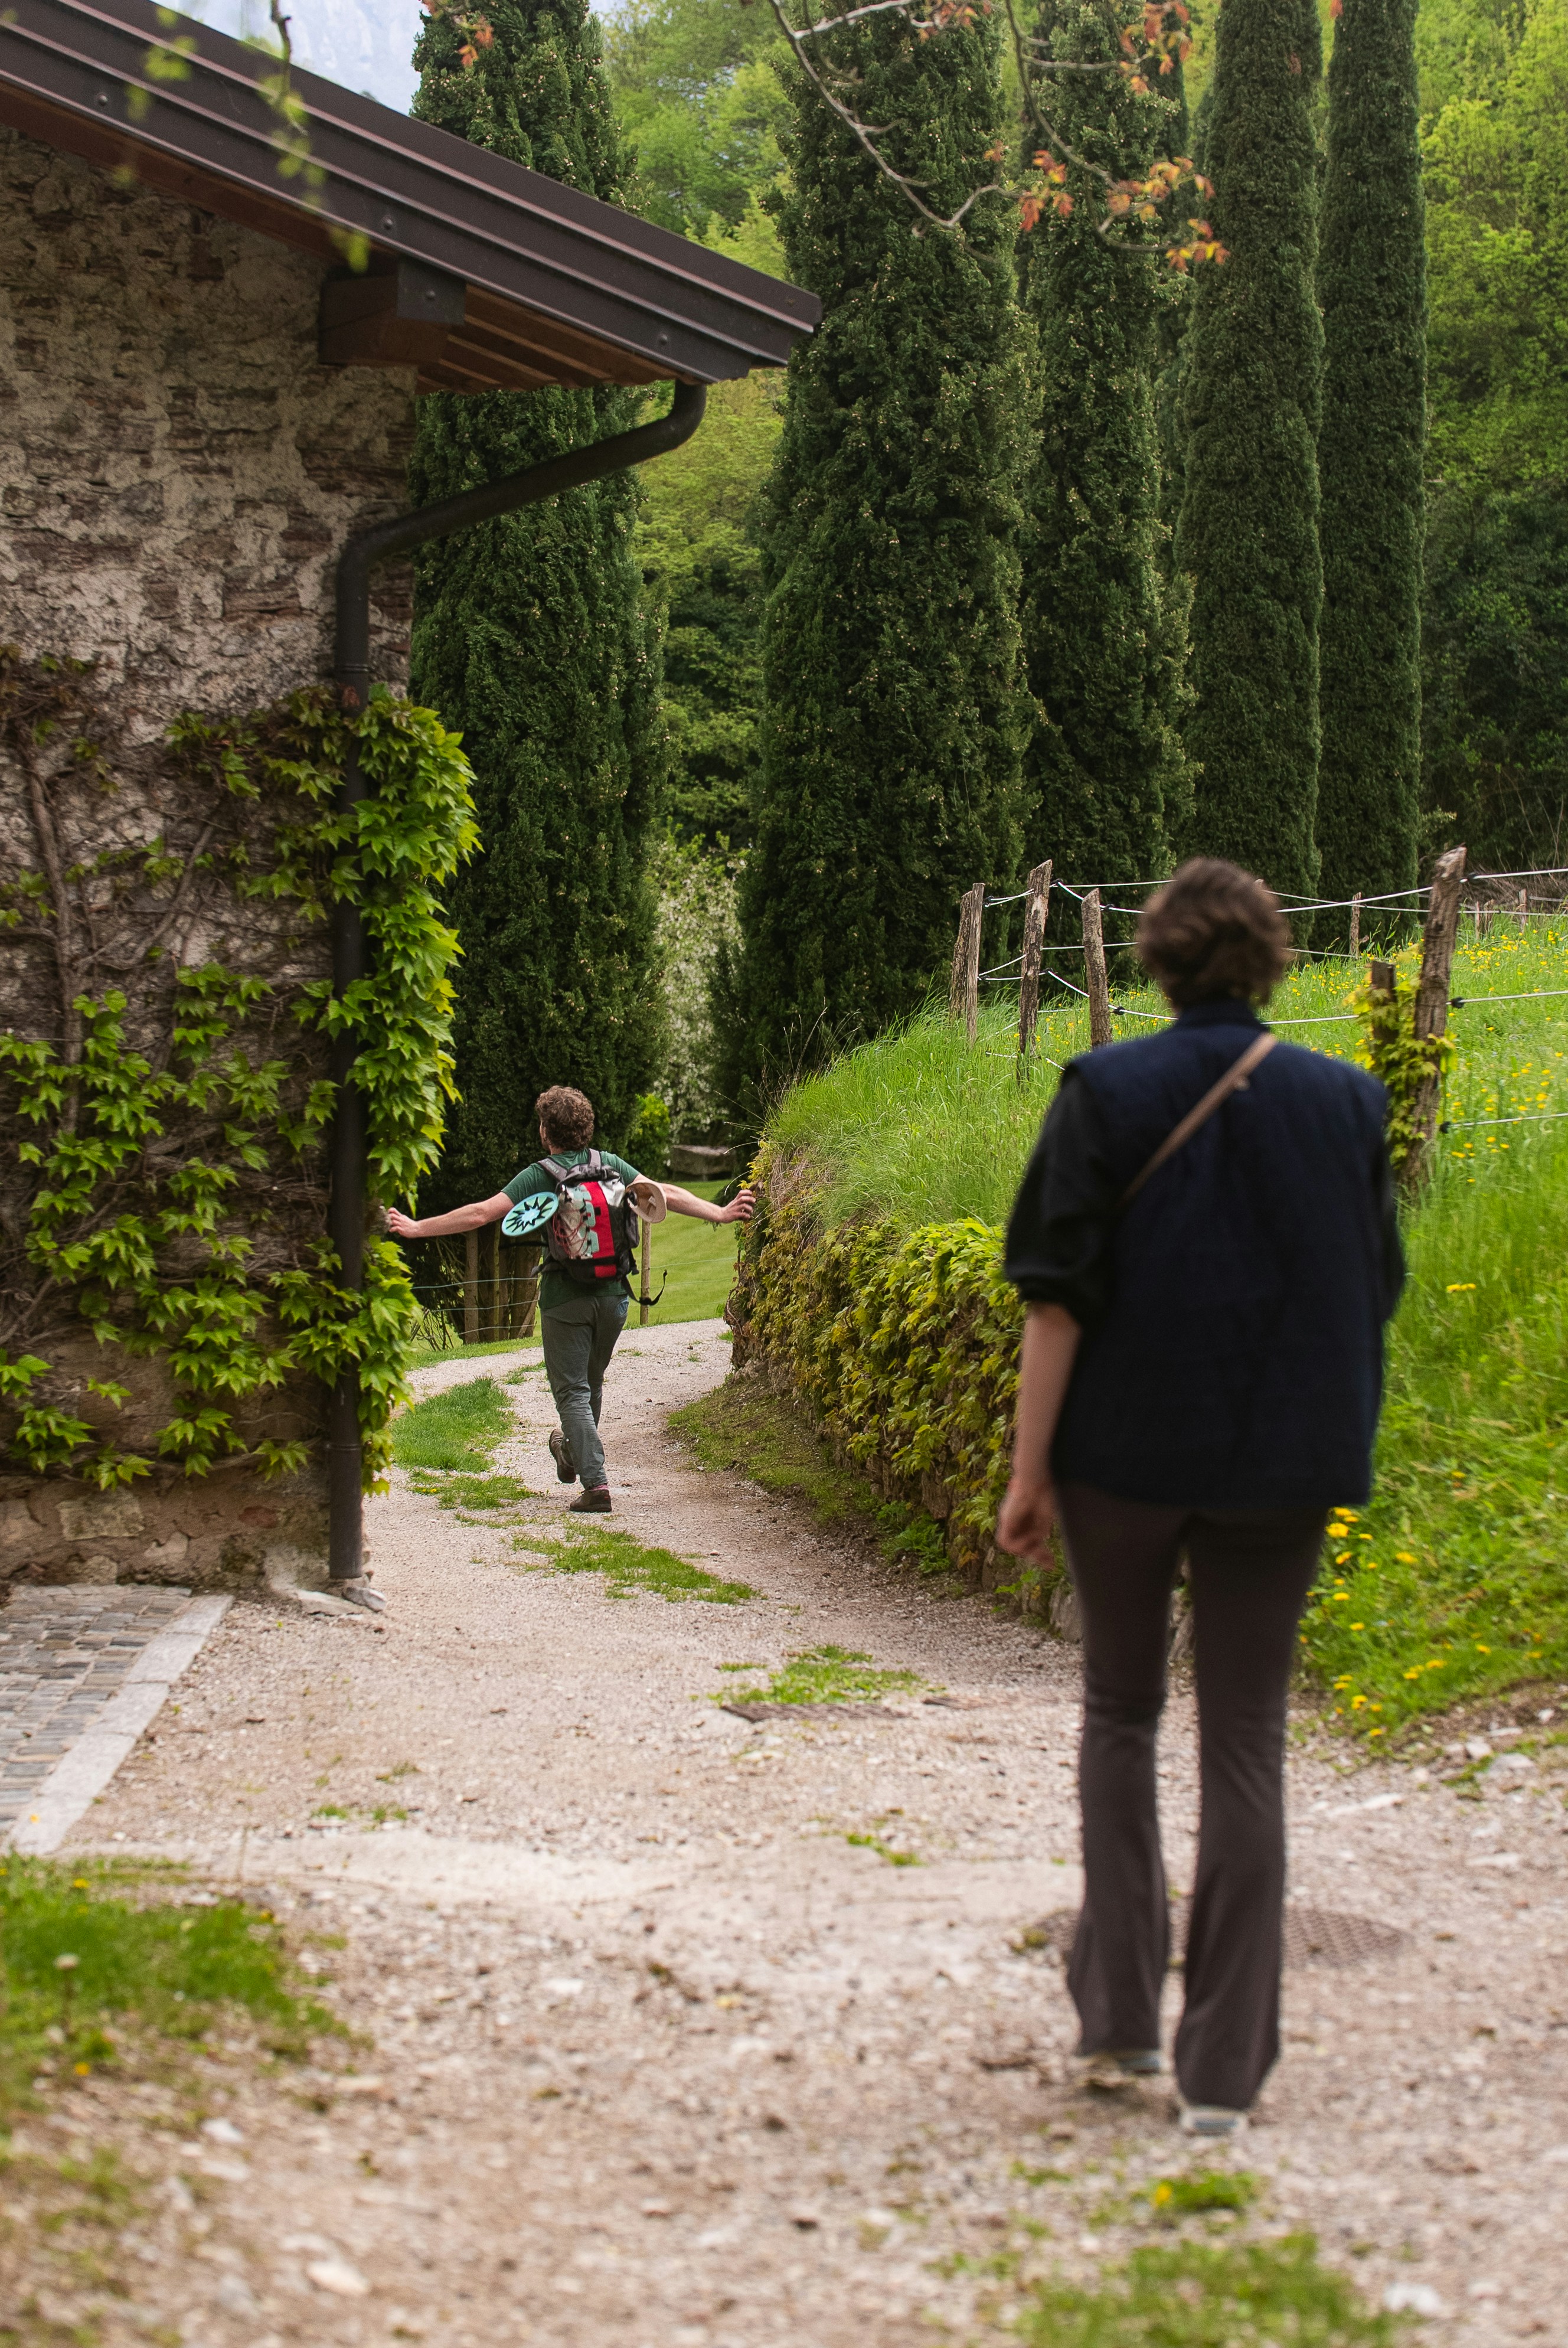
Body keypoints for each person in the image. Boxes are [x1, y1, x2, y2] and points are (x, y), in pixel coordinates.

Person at [997, 858, 1404, 2138]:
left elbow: (1054, 1294)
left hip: (1121, 1453)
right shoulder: (1347, 1101)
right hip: (1285, 1455)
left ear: (1161, 965)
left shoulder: (1102, 1089)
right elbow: (1377, 1282)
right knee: (1243, 1737)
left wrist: (1026, 1470)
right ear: (1273, 960)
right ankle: (1222, 2070)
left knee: (1119, 1713)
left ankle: (1117, 2019)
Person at [387, 1086, 752, 1513]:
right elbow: (662, 1192)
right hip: (616, 1296)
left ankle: (596, 1484)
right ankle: (571, 1454)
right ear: (585, 1128)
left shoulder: (541, 1173)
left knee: (573, 1393)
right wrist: (720, 1212)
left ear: (546, 1132)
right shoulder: (609, 1165)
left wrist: (415, 1228)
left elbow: (480, 1214)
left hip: (566, 1298)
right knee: (591, 1385)